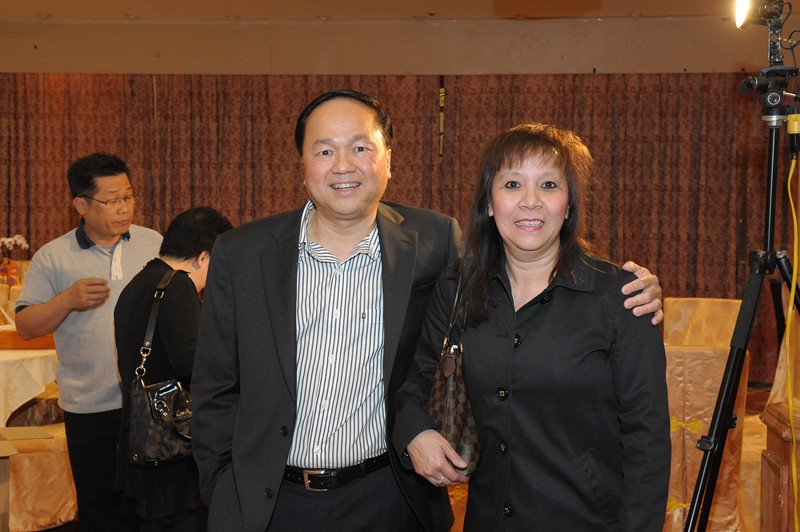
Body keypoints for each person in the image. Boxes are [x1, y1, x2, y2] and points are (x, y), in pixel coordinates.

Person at [191, 89, 664, 532]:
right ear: (302, 163)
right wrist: (223, 492)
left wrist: (640, 288)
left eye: (360, 147)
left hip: (389, 497)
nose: (343, 165)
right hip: (272, 502)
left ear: (388, 160)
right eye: (325, 150)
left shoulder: (434, 242)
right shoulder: (242, 253)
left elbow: (645, 435)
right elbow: (214, 388)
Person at [394, 122, 671, 531]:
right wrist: (415, 432)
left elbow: (647, 440)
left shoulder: (622, 297)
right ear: (489, 203)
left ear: (569, 204)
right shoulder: (456, 288)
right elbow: (415, 384)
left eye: (548, 185)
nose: (530, 202)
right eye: (512, 184)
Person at [15, 152, 163, 531]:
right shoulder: (53, 257)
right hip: (89, 406)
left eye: (128, 197)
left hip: (147, 403)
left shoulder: (153, 243)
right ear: (81, 205)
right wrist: (66, 300)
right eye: (111, 200)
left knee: (151, 508)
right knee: (99, 509)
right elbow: (26, 325)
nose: (124, 208)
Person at [113, 206, 233, 531]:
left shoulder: (139, 283)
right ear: (204, 257)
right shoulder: (177, 286)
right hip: (173, 450)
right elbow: (195, 365)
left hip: (146, 443)